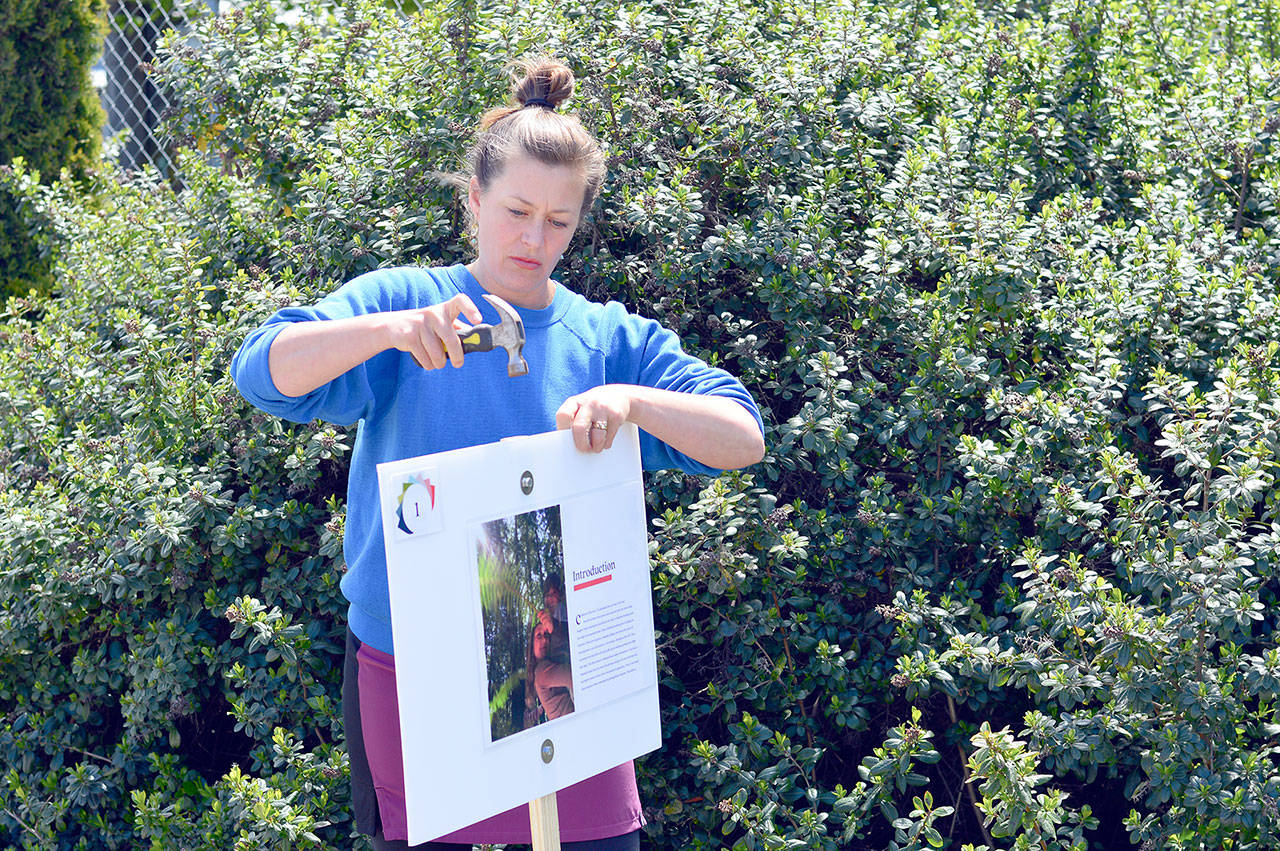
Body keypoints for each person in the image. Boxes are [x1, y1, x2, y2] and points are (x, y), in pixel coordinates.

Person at [231, 56, 765, 851]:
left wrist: (633, 402)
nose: (533, 238)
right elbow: (261, 369)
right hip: (415, 667)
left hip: (566, 674)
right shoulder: (406, 305)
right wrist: (384, 333)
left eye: (558, 221)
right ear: (473, 199)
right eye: (516, 209)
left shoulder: (605, 337)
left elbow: (742, 436)